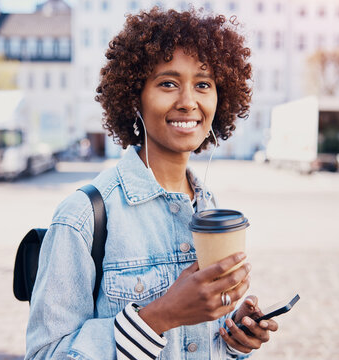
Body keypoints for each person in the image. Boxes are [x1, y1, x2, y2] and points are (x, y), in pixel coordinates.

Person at [26, 7, 278, 360]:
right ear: (135, 96)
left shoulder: (209, 208)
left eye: (203, 84)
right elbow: (44, 355)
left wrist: (234, 337)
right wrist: (160, 317)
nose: (188, 101)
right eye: (168, 83)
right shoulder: (83, 218)